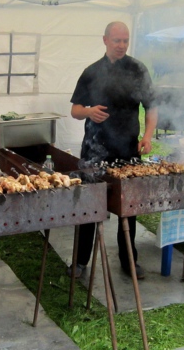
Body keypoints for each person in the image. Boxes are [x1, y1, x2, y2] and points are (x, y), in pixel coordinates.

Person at [69, 21, 158, 280]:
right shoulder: (91, 72)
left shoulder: (137, 69)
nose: (121, 45)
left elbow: (151, 107)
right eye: (116, 40)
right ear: (105, 40)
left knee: (128, 207)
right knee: (88, 206)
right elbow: (75, 110)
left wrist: (148, 136)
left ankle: (129, 260)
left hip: (128, 148)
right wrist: (88, 111)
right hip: (95, 150)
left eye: (125, 40)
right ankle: (80, 261)